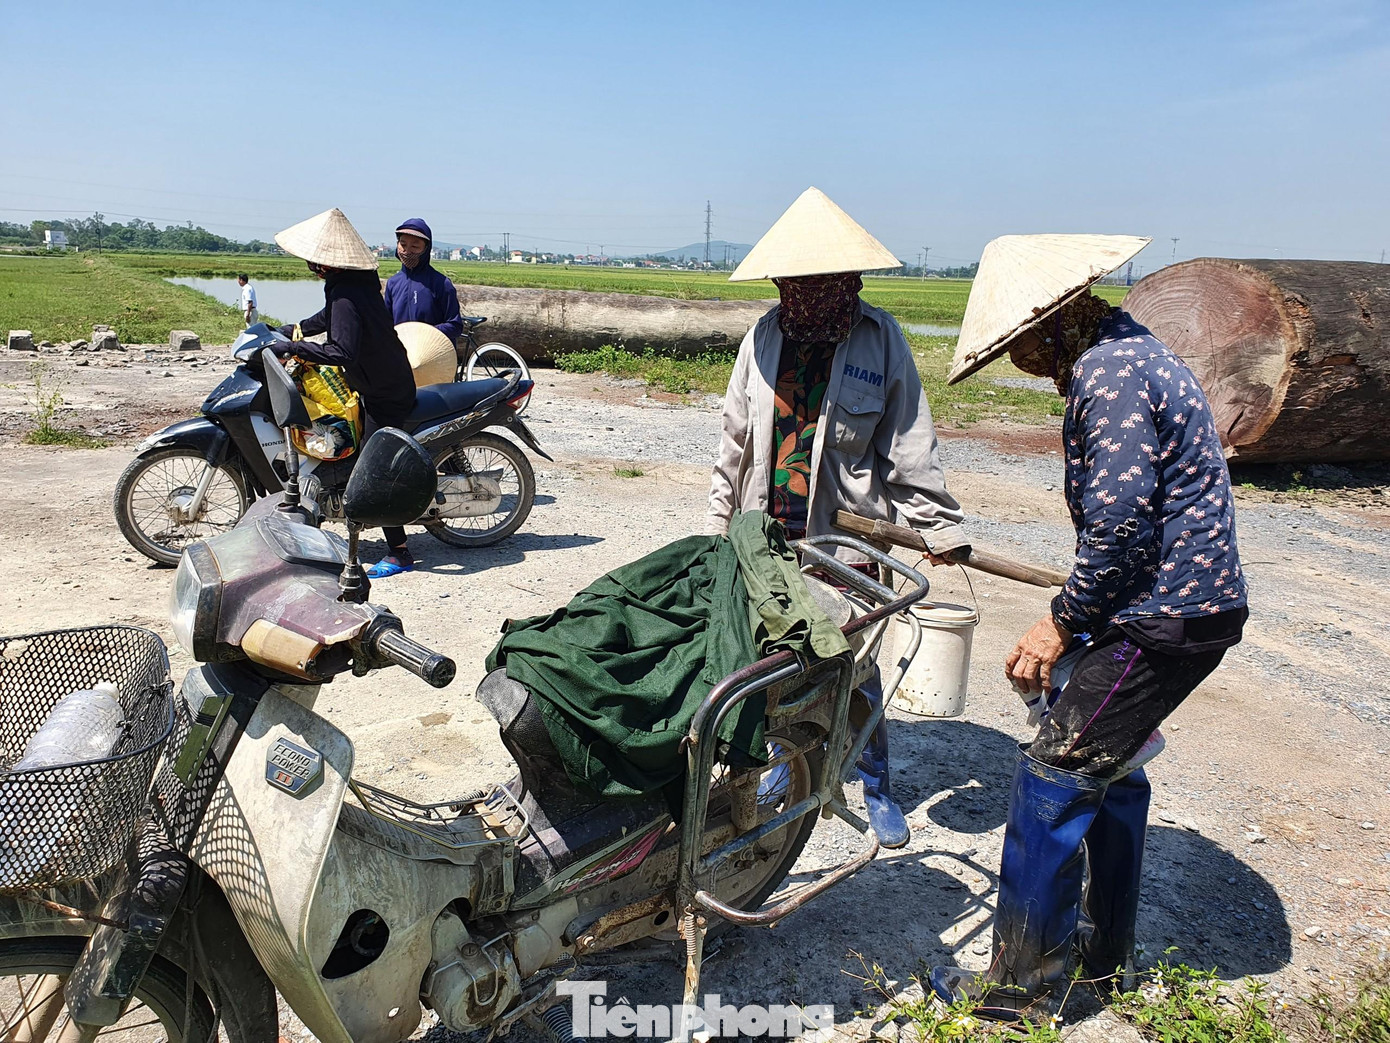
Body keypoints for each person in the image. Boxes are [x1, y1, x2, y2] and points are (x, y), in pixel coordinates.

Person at [930, 235, 1248, 1022]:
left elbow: (1120, 532)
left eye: (1018, 346)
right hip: (1183, 604)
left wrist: (1058, 625)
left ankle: (1019, 993)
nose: (1020, 363)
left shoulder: (1107, 373)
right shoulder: (1130, 349)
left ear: (1050, 323)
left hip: (1164, 611)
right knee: (1114, 768)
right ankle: (1102, 963)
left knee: (1054, 771)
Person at [707, 187, 970, 848]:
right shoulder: (764, 338)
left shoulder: (880, 343)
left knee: (856, 667)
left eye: (817, 284)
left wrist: (939, 528)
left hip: (844, 543)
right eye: (792, 284)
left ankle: (875, 783)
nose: (803, 297)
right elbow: (733, 445)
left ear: (844, 280)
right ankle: (779, 767)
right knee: (767, 659)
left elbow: (910, 443)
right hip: (767, 539)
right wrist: (717, 531)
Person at [271, 207, 420, 579]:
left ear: (324, 261)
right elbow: (329, 318)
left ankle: (400, 552)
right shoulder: (352, 282)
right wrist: (295, 330)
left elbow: (342, 351)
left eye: (312, 259)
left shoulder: (348, 290)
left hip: (384, 389)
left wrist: (296, 349)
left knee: (375, 465)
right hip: (377, 378)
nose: (309, 264)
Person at [383, 218, 463, 345]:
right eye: (403, 244)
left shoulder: (441, 283)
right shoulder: (393, 283)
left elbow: (455, 325)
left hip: (433, 356)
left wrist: (425, 333)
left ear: (426, 248)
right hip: (400, 356)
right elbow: (385, 324)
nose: (407, 251)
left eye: (415, 246)